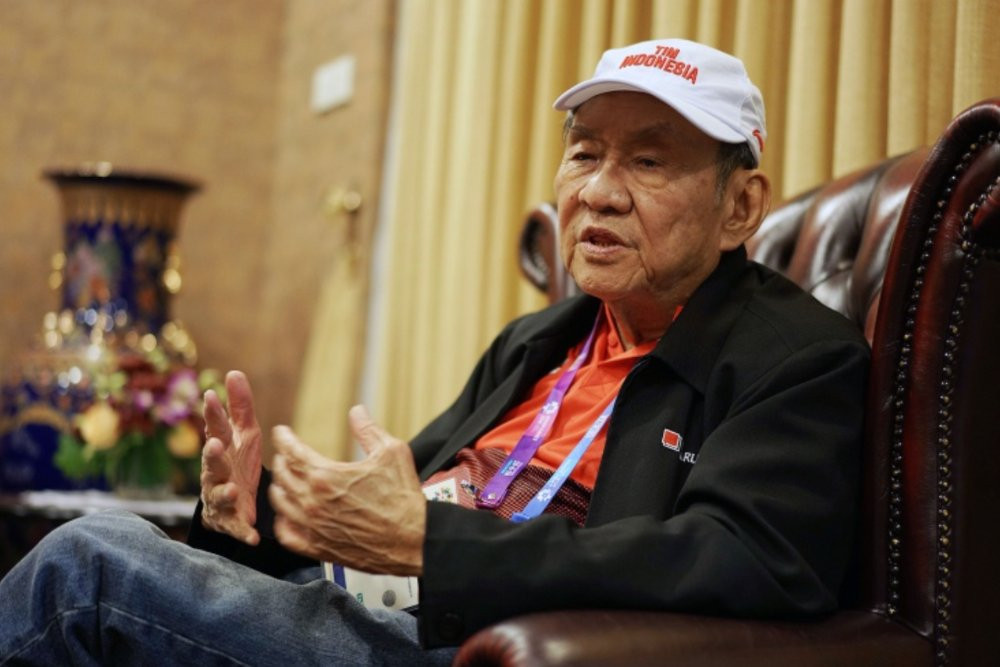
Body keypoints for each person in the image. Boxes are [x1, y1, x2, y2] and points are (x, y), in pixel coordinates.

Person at [0, 38, 869, 665]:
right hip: (373, 610)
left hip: (470, 643)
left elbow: (743, 561)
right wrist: (258, 520)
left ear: (739, 206)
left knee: (87, 568)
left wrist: (437, 544)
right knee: (111, 546)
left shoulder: (795, 357)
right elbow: (397, 509)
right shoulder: (542, 340)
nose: (600, 192)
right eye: (585, 153)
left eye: (648, 161)